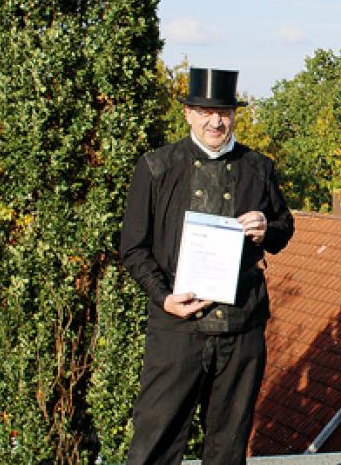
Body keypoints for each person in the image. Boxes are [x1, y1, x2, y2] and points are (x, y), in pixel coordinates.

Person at [120, 67, 294, 464]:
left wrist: (267, 228)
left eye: (225, 112)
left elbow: (285, 228)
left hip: (242, 325)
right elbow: (133, 248)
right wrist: (164, 298)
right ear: (187, 114)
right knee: (156, 440)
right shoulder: (157, 167)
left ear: (234, 115)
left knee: (229, 444)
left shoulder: (258, 167)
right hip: (176, 327)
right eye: (204, 111)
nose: (215, 121)